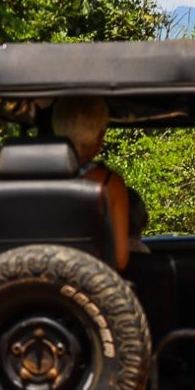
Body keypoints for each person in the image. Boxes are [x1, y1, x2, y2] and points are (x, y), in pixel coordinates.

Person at [52, 97, 133, 270]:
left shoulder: (21, 177)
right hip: (86, 289)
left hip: (28, 289)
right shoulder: (109, 184)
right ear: (99, 137)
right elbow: (120, 259)